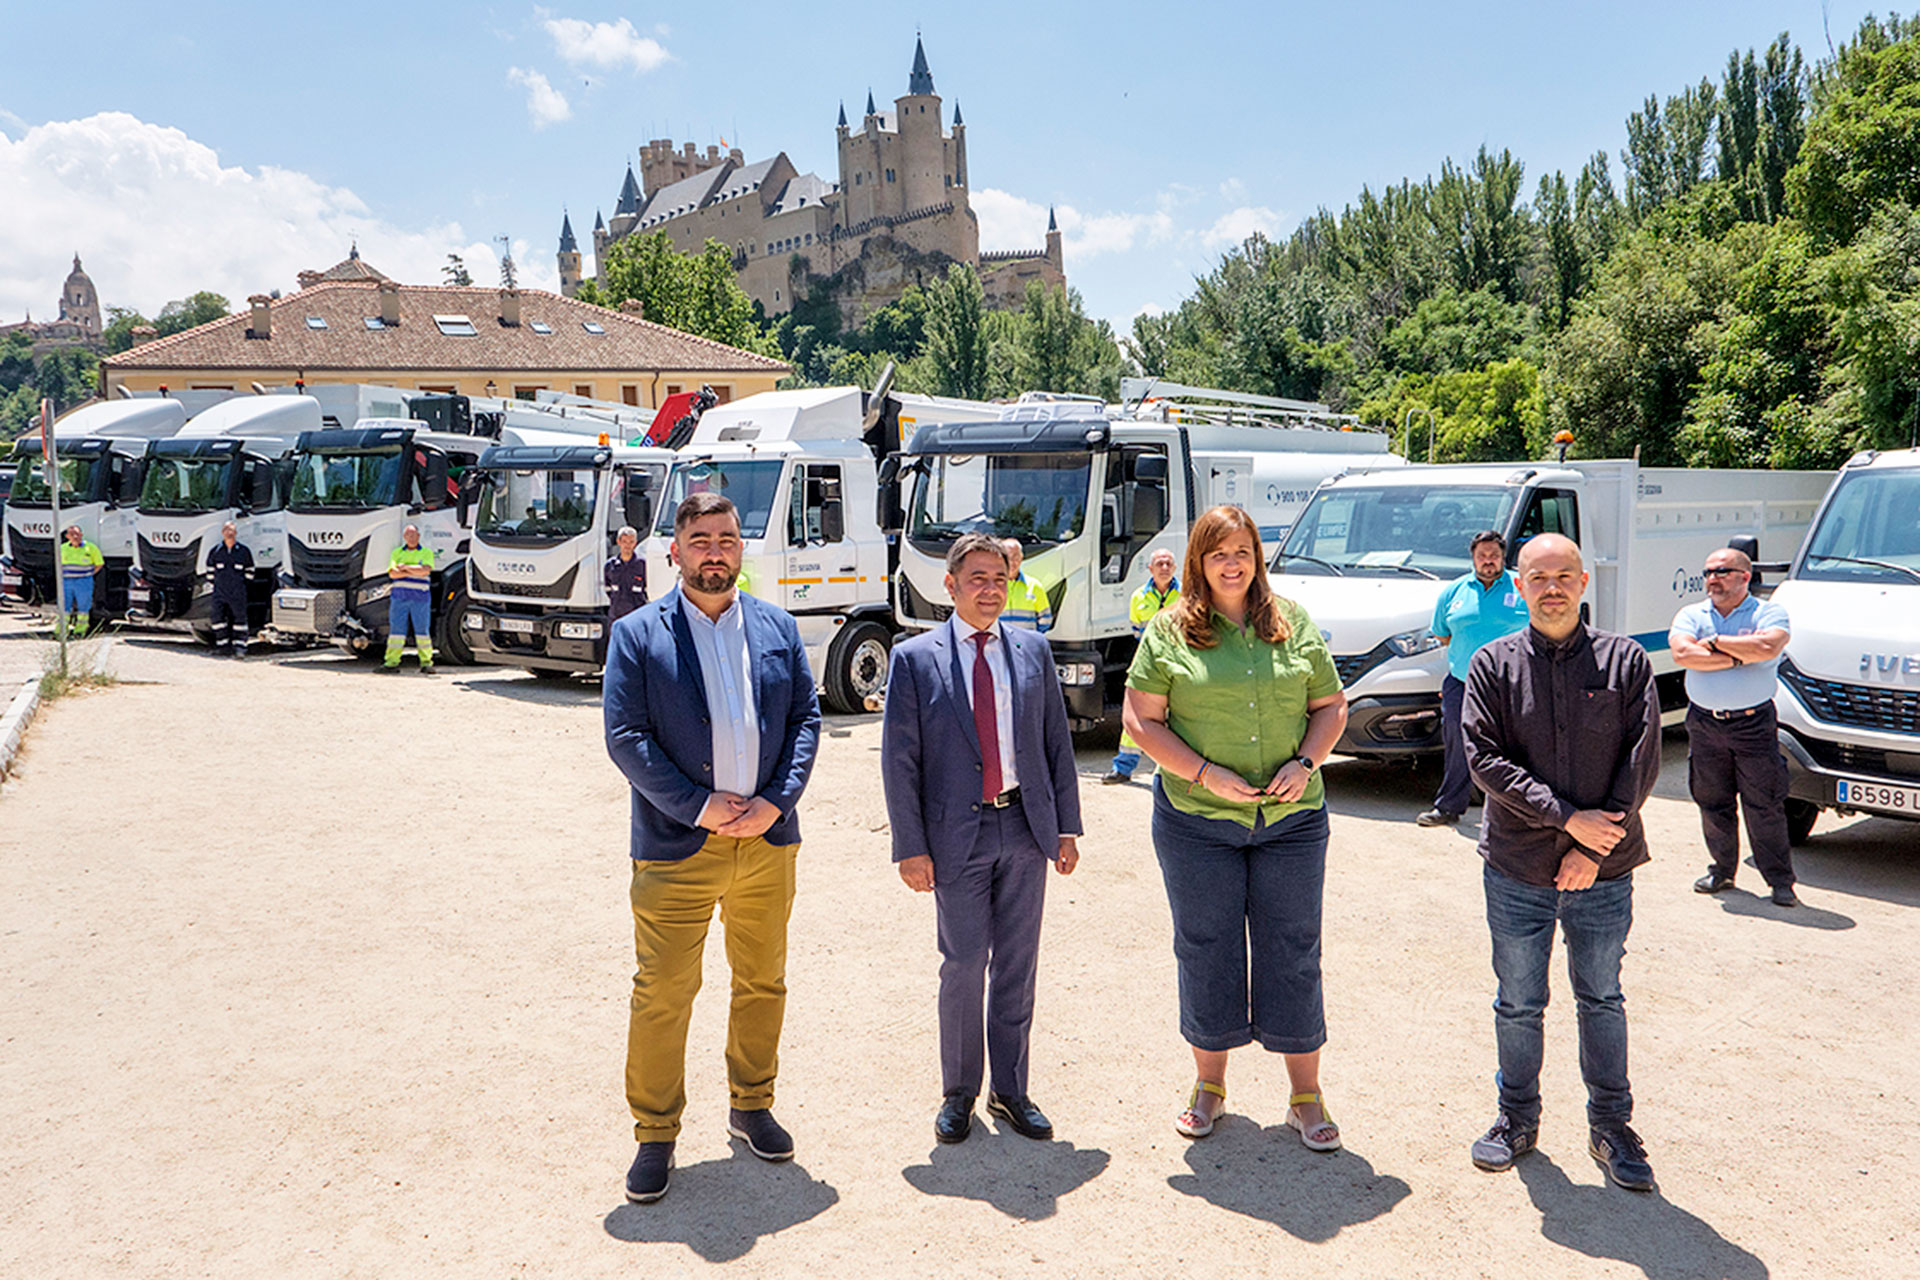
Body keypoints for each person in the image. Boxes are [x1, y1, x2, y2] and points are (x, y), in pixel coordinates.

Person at [603, 492, 820, 1204]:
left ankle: (752, 1104)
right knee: (663, 992)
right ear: (675, 551)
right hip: (676, 848)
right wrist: (698, 806)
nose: (715, 552)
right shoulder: (638, 634)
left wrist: (775, 802)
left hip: (767, 842)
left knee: (763, 981)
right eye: (700, 540)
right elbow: (625, 737)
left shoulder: (777, 627)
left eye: (726, 538)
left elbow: (805, 719)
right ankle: (655, 1133)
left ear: (740, 547)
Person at [1121, 506, 1349, 1151]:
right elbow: (1141, 721)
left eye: (1243, 551)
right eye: (1218, 553)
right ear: (1199, 559)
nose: (1232, 564)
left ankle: (1305, 1095)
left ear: (1257, 557)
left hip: (1291, 822)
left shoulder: (1292, 621)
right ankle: (1210, 1086)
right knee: (1206, 947)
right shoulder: (1168, 630)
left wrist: (1307, 763)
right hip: (1197, 823)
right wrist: (1204, 774)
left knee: (1294, 949)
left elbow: (1331, 706)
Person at [1461, 533, 1663, 1192]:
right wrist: (1565, 819)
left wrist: (1589, 845)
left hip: (1604, 870)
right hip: (1517, 868)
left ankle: (1612, 1127)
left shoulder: (1625, 661)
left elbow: (1642, 758)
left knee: (1601, 998)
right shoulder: (1492, 666)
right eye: (1538, 577)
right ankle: (1516, 1118)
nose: (1552, 588)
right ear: (1518, 587)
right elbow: (1484, 760)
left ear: (1583, 582)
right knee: (1518, 1002)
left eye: (1563, 576)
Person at [882, 532, 1082, 1146]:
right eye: (977, 579)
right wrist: (910, 845)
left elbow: (1056, 744)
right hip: (955, 837)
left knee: (1018, 964)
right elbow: (900, 762)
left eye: (999, 579)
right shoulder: (914, 659)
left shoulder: (1032, 650)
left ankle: (1011, 1090)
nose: (990, 590)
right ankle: (960, 1092)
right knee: (965, 964)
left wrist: (1066, 827)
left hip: (1024, 828)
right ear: (951, 586)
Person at [1668, 547, 1797, 906]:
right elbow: (1682, 654)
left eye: (1722, 571)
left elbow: (1768, 646)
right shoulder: (1692, 614)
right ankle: (1722, 871)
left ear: (1745, 577)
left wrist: (1715, 645)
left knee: (1764, 804)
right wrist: (1741, 657)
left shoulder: (1768, 612)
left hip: (1753, 725)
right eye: (1708, 572)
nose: (1713, 578)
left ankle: (1780, 881)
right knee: (1712, 802)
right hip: (1704, 723)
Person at [1419, 531, 1530, 826]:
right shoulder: (1454, 591)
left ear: (1503, 557)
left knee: (1512, 746)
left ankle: (1516, 810)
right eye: (1482, 555)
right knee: (1458, 742)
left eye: (1494, 555)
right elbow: (1443, 634)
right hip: (1462, 681)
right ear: (1473, 558)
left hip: (1511, 683)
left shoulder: (1523, 587)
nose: (1488, 561)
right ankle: (1448, 807)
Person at [1104, 548, 1181, 784]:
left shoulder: (1186, 595)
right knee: (1137, 715)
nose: (1164, 568)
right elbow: (1137, 631)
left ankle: (1175, 770)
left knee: (1179, 718)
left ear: (1175, 568)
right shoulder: (1138, 597)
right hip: (1149, 665)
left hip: (1179, 665)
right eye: (1159, 564)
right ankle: (1123, 768)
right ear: (1150, 569)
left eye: (1168, 563)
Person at [379, 525, 436, 674]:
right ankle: (391, 663)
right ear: (404, 537)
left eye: (413, 535)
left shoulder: (427, 552)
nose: (411, 538)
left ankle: (426, 663)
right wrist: (414, 569)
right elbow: (393, 574)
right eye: (408, 535)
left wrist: (404, 567)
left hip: (420, 599)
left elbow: (425, 571)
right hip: (400, 598)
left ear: (419, 536)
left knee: (422, 632)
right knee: (396, 632)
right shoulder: (396, 552)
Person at [205, 521, 254, 658]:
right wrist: (219, 585)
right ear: (222, 533)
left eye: (231, 530)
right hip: (219, 592)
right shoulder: (216, 551)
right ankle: (223, 646)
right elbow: (209, 573)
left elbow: (250, 572)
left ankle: (240, 648)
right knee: (217, 618)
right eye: (226, 529)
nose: (229, 532)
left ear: (235, 533)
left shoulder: (243, 551)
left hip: (238, 592)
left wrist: (239, 585)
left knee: (240, 619)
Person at [58, 525, 104, 637]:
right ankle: (61, 631)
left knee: (83, 608)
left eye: (77, 534)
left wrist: (88, 574)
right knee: (64, 607)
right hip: (67, 581)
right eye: (72, 534)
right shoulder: (62, 548)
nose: (75, 536)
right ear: (67, 536)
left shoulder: (91, 548)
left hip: (84, 582)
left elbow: (99, 564)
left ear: (81, 534)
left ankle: (80, 631)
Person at [1000, 538, 1053, 631]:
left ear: (1021, 558)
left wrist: (1032, 637)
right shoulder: (993, 586)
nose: (1012, 562)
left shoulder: (1034, 586)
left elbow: (1046, 618)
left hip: (1026, 640)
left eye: (1016, 557)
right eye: (1008, 557)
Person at [604, 524, 648, 622]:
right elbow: (608, 589)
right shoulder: (610, 565)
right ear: (618, 542)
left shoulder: (642, 565)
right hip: (616, 615)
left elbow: (647, 589)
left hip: (636, 615)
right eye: (624, 541)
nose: (627, 545)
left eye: (631, 542)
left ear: (635, 543)